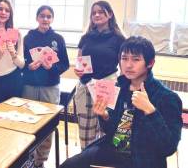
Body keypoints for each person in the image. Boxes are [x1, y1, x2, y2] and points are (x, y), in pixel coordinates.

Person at [60, 36, 183, 168]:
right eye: (124, 58)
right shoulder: (120, 87)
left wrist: (150, 111)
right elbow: (112, 131)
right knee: (69, 165)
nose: (128, 65)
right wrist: (105, 116)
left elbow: (168, 147)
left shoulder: (167, 97)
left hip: (142, 158)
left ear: (150, 63)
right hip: (114, 149)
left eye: (136, 59)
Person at [22, 5, 69, 168]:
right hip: (30, 86)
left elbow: (65, 64)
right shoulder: (28, 38)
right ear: (37, 18)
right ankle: (28, 158)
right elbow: (22, 62)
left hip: (50, 86)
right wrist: (28, 66)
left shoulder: (58, 38)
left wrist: (52, 68)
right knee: (28, 121)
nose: (45, 19)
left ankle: (41, 160)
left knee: (48, 123)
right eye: (42, 16)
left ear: (52, 19)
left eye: (49, 16)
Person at [74, 1, 125, 149]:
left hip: (107, 86)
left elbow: (123, 68)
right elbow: (79, 60)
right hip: (85, 85)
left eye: (101, 12)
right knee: (85, 131)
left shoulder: (119, 39)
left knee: (106, 130)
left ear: (109, 14)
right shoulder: (86, 37)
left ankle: (101, 161)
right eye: (93, 12)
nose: (96, 15)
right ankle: (86, 158)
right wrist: (78, 70)